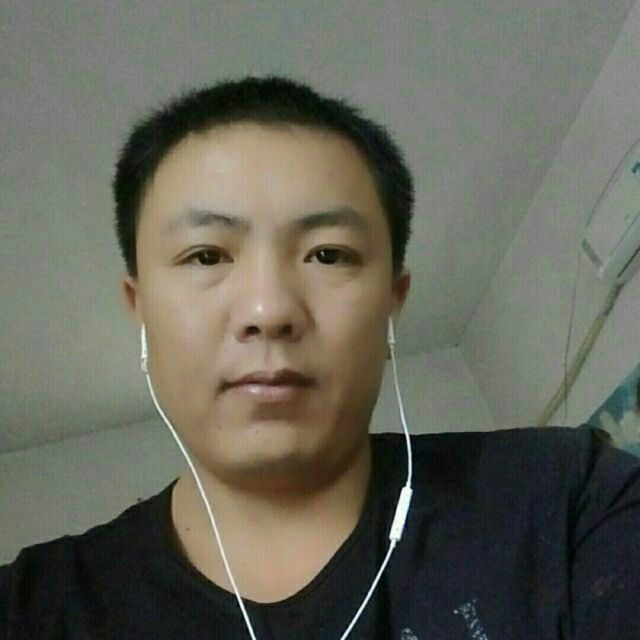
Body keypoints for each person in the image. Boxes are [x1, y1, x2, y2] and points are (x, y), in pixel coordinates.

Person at [1, 75, 639, 640]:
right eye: (206, 256)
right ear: (140, 308)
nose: (268, 309)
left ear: (392, 303)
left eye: (328, 255)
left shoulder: (565, 500)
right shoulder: (32, 611)